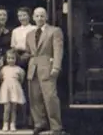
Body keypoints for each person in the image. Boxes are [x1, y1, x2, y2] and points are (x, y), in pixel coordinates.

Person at [21, 7, 64, 135]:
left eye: (42, 16)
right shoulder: (29, 34)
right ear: (33, 18)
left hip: (48, 67)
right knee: (34, 98)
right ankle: (39, 123)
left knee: (50, 97)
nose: (39, 18)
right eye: (37, 16)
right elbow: (28, 53)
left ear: (46, 17)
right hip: (33, 68)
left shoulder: (54, 31)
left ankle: (56, 127)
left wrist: (56, 66)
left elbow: (58, 50)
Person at [10, 7, 36, 127]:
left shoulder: (34, 29)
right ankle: (21, 118)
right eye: (20, 16)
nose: (22, 18)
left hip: (30, 57)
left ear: (29, 16)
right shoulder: (15, 31)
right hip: (18, 59)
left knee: (30, 88)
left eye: (24, 15)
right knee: (19, 88)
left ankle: (32, 118)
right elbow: (13, 47)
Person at [0, 49, 26, 132]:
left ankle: (13, 123)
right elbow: (1, 78)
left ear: (16, 59)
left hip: (15, 89)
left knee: (14, 108)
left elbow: (21, 79)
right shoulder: (3, 69)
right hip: (6, 89)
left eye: (13, 58)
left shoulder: (19, 69)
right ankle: (5, 123)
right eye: (9, 58)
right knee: (6, 108)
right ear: (6, 59)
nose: (11, 60)